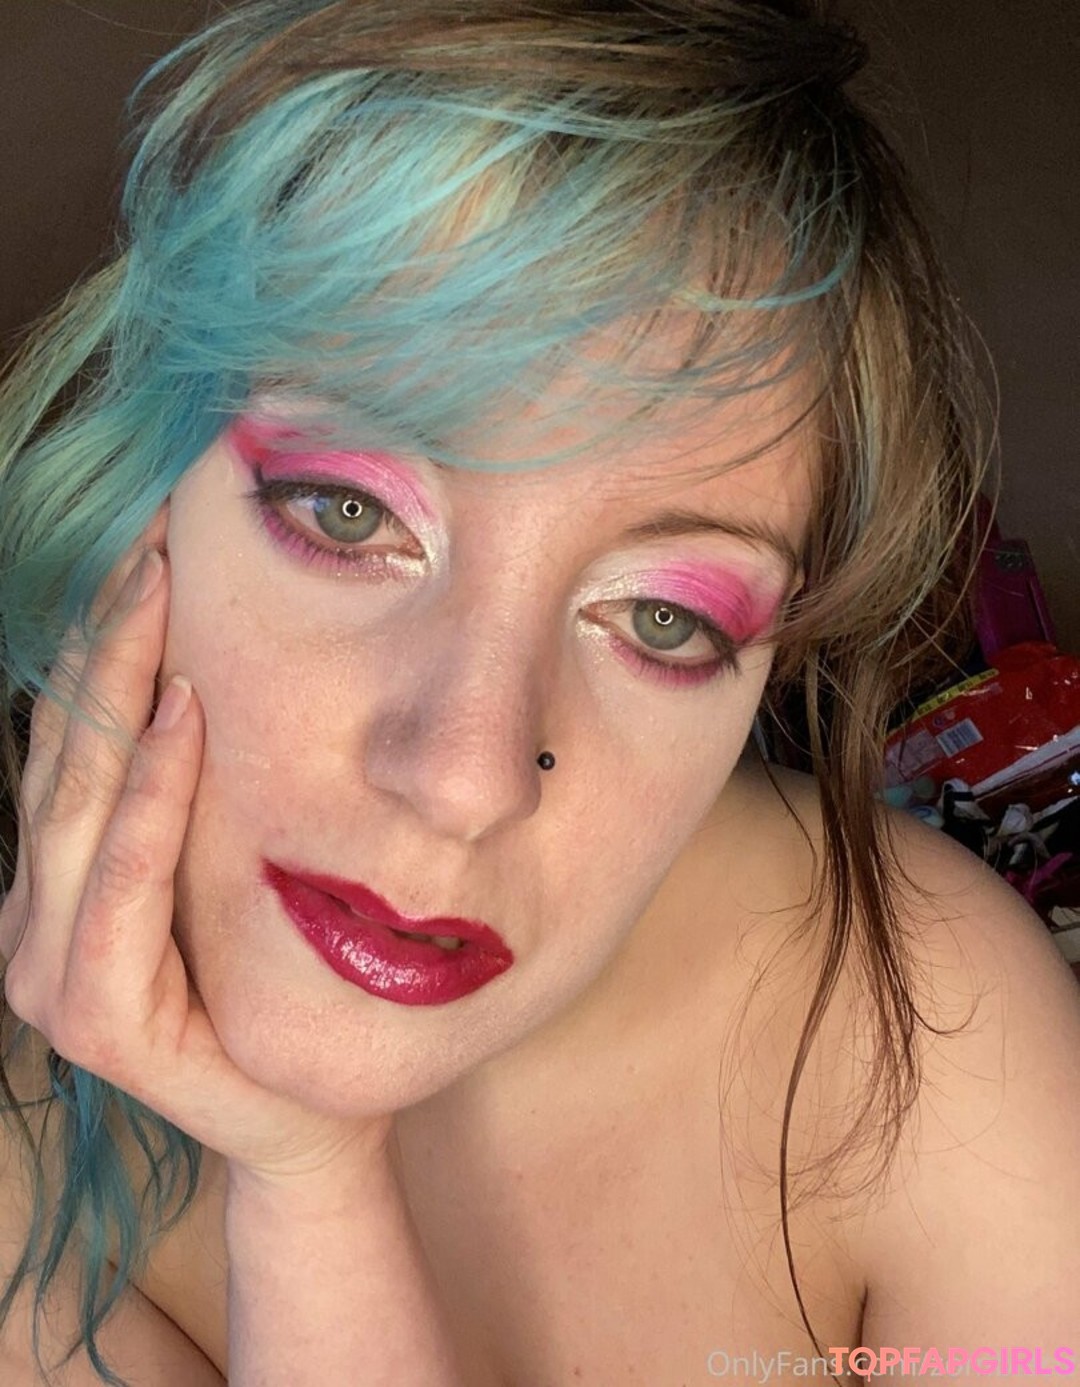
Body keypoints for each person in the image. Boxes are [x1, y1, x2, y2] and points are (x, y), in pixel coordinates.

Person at [1, 2, 1078, 1383]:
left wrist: (313, 1187)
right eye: (345, 513)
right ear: (138, 497)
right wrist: (307, 1189)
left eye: (665, 618)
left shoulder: (930, 1030)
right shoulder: (28, 1182)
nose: (467, 777)